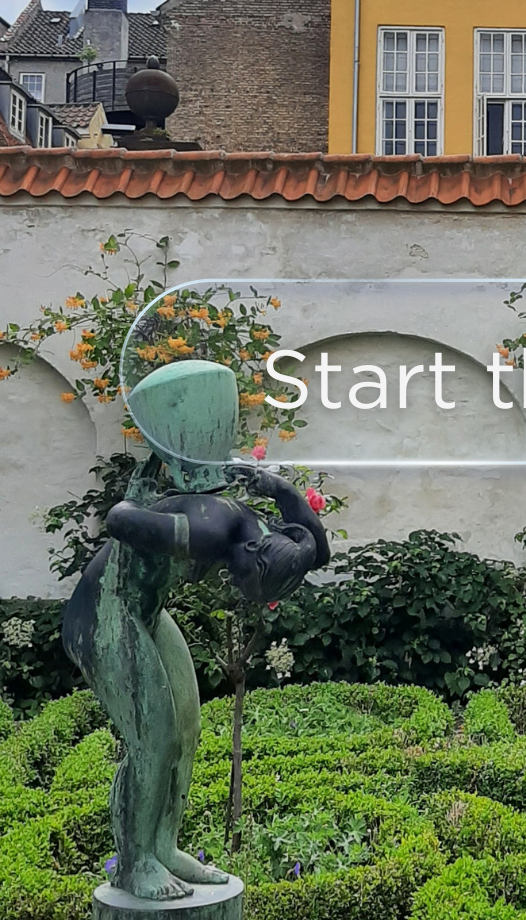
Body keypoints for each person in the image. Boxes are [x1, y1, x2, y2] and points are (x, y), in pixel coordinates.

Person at [62, 361, 330, 900]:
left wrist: (277, 485)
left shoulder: (255, 529)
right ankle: (136, 862)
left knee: (185, 729)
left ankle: (163, 847)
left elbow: (317, 548)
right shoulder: (211, 529)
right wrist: (136, 495)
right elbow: (118, 523)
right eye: (247, 581)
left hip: (143, 612)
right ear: (252, 553)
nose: (238, 586)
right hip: (102, 614)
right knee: (154, 738)